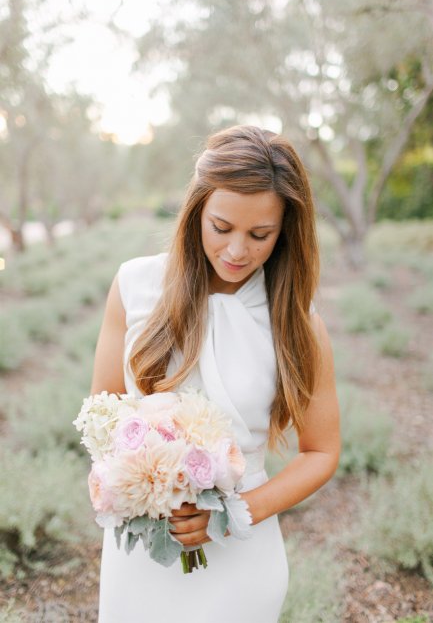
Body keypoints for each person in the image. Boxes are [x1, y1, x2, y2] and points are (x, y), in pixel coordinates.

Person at [91, 124, 340, 623]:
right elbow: (103, 414)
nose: (237, 251)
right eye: (221, 228)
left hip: (242, 558)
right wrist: (129, 483)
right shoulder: (135, 284)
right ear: (196, 211)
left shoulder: (296, 319)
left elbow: (322, 451)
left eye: (260, 235)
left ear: (286, 230)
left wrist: (232, 516)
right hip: (142, 551)